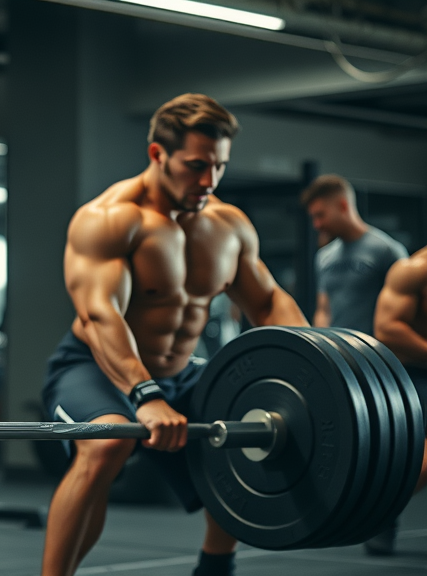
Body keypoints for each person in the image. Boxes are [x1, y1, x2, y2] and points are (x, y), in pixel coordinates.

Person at [40, 93, 308, 576]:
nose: (209, 181)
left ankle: (214, 567)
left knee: (243, 435)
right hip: (94, 364)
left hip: (182, 371)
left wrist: (314, 363)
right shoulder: (109, 220)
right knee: (107, 443)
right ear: (157, 154)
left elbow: (267, 302)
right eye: (196, 165)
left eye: (220, 167)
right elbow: (102, 316)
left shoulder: (228, 226)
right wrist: (145, 395)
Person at [369, 246, 427, 555]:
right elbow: (387, 328)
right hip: (416, 372)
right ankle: (382, 513)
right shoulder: (413, 269)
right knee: (423, 459)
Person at [301, 174, 408, 334]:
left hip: (373, 354)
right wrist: (321, 345)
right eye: (313, 218)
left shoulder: (387, 250)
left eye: (320, 215)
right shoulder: (324, 256)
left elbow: (403, 315)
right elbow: (324, 310)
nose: (317, 225)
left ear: (343, 206)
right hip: (336, 354)